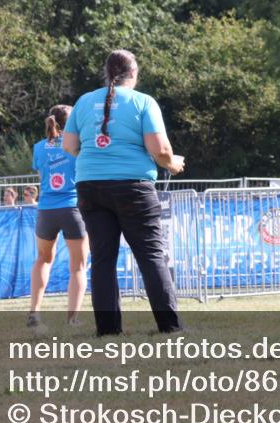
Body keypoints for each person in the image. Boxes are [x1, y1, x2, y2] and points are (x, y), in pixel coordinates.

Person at [63, 50, 185, 336]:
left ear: (107, 73)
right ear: (135, 73)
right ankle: (170, 326)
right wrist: (173, 164)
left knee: (103, 260)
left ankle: (108, 331)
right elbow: (161, 150)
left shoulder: (83, 102)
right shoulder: (143, 102)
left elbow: (69, 145)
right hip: (133, 187)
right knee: (151, 256)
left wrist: (96, 156)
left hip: (90, 186)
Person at [29, 105, 90, 330]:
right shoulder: (78, 145)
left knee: (43, 260)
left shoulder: (38, 147)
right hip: (73, 208)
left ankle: (34, 312)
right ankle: (72, 320)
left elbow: (41, 174)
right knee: (78, 267)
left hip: (46, 209)